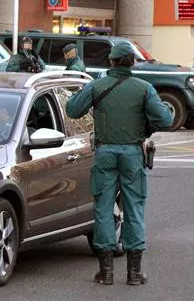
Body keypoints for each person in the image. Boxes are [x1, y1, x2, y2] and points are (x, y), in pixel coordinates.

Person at [65, 43, 173, 286]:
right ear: (132, 62)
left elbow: (72, 110)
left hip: (105, 152)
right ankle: (134, 273)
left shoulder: (96, 86)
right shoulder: (144, 89)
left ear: (111, 62)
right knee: (134, 208)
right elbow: (165, 119)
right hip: (133, 153)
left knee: (103, 208)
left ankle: (106, 272)